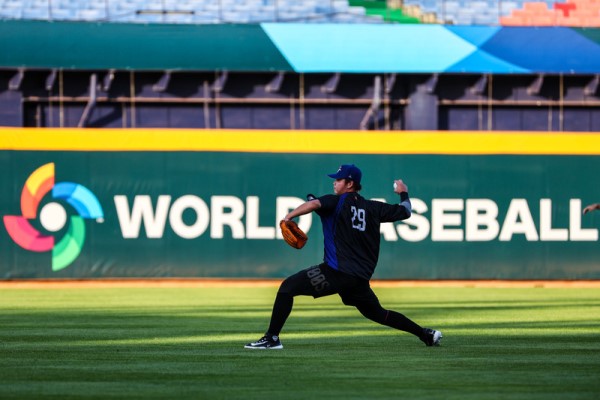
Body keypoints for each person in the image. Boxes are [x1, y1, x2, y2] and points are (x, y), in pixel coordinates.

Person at [245, 164, 442, 350]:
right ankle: (425, 334)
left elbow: (313, 203)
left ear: (350, 184)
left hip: (336, 272)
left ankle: (272, 338)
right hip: (358, 279)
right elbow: (406, 211)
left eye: (339, 179)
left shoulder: (335, 201)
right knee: (378, 314)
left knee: (287, 288)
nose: (334, 182)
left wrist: (288, 218)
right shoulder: (374, 208)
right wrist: (403, 192)